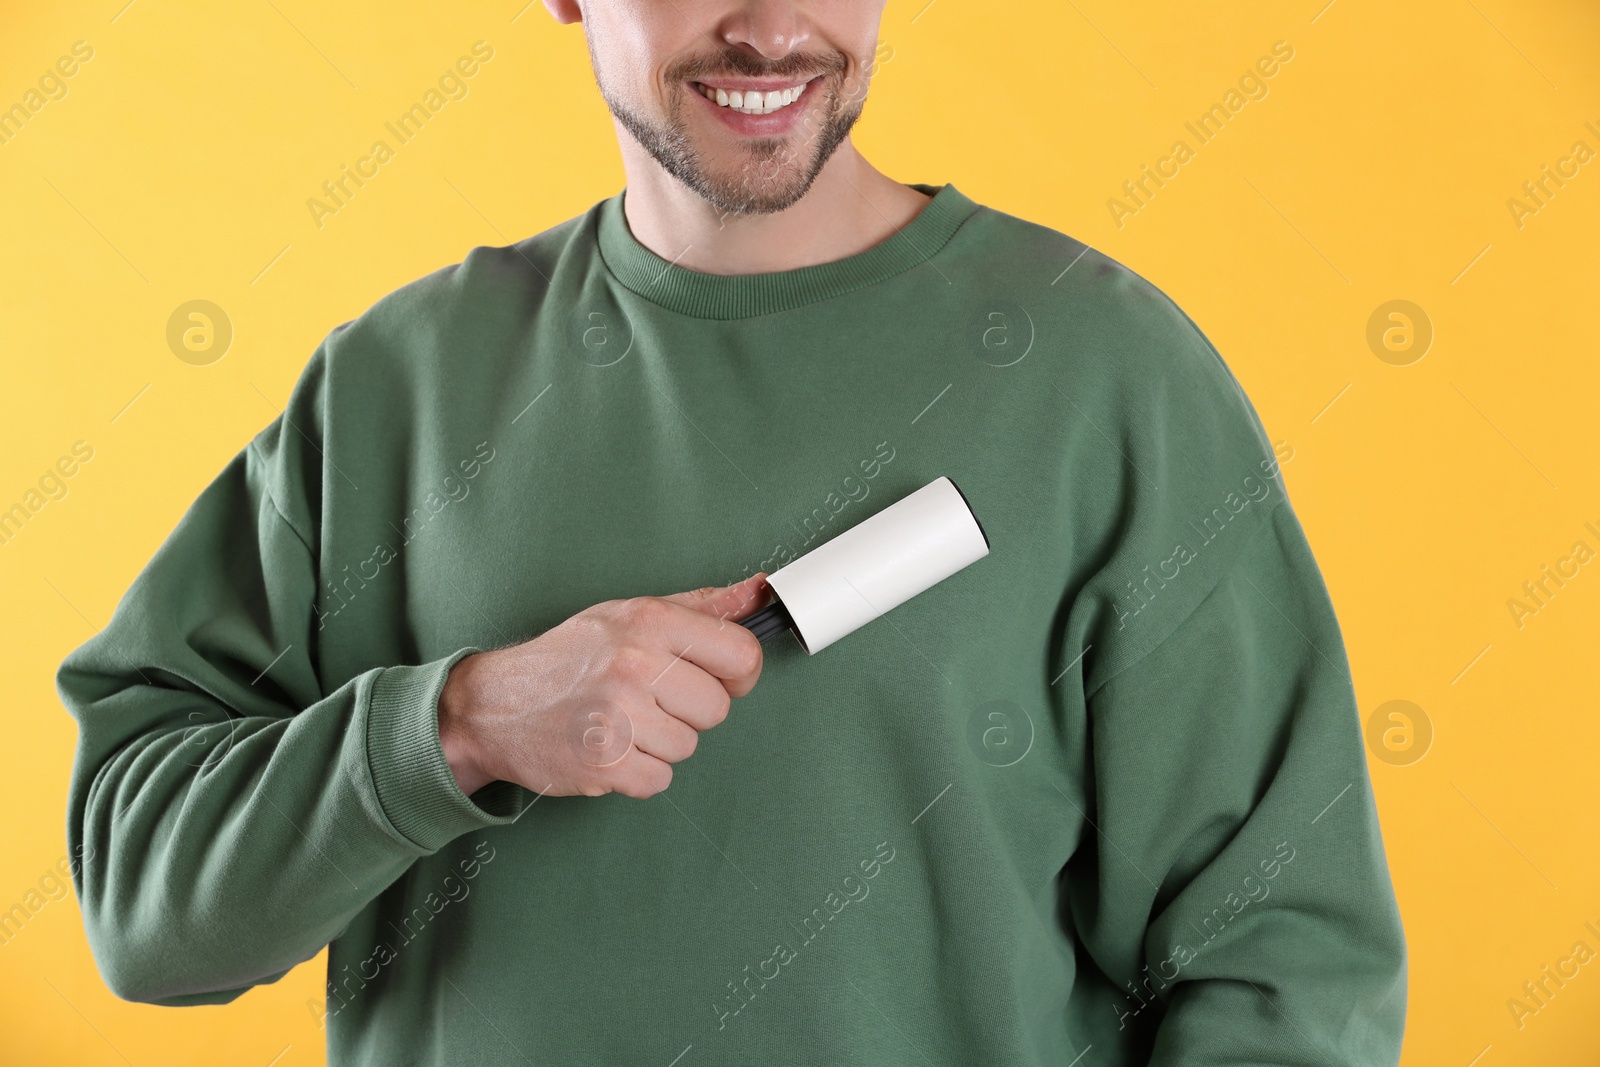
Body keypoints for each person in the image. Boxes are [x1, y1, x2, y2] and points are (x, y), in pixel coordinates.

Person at [56, 1, 1407, 1064]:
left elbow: (1288, 966)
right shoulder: (393, 392)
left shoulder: (1104, 377)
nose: (770, 26)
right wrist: (454, 727)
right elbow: (146, 912)